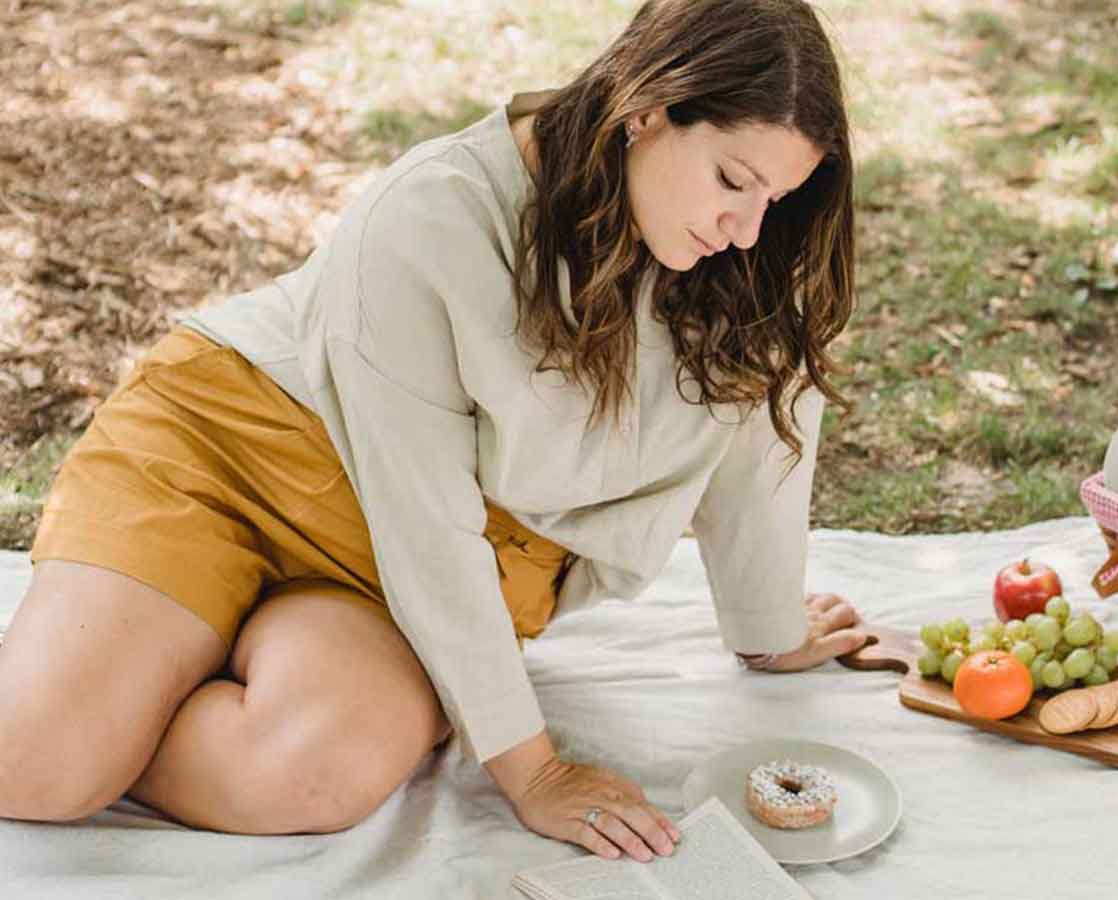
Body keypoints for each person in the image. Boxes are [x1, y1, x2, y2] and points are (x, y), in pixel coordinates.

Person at [0, 0, 865, 865]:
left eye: (777, 196)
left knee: (313, 775)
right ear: (646, 107)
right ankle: (106, 701)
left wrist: (771, 627)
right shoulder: (433, 214)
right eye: (732, 180)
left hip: (413, 567)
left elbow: (764, 437)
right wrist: (532, 771)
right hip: (236, 449)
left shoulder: (750, 254)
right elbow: (424, 516)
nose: (748, 225)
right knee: (34, 766)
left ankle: (133, 686)